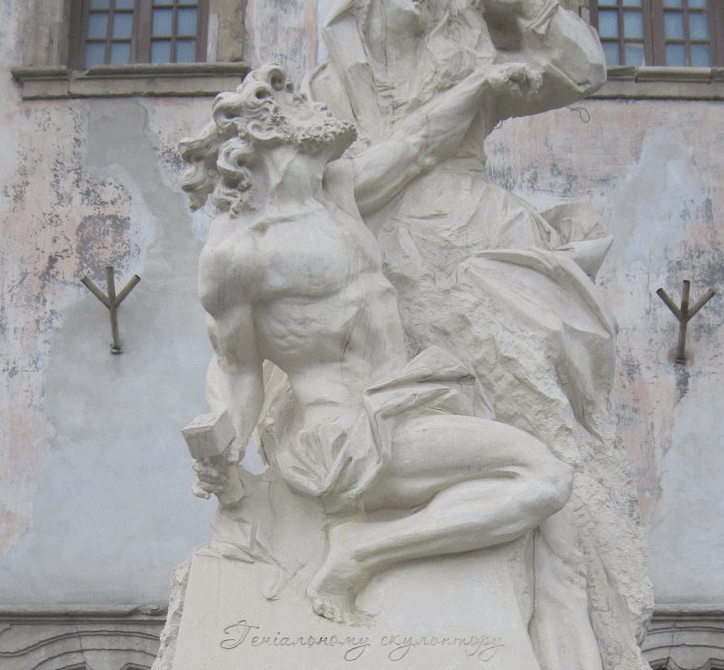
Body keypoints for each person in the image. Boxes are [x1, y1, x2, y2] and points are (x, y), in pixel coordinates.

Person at [306, 0, 669, 670]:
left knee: (567, 531)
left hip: (497, 252)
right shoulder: (336, 89)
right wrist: (458, 106)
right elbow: (353, 190)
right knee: (544, 503)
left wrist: (525, 5)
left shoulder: (465, 54)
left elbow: (582, 72)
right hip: (413, 290)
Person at [179, 64, 573, 625]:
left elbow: (418, 145)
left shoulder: (336, 194)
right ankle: (360, 552)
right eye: (294, 98)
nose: (314, 101)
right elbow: (237, 368)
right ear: (265, 131)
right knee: (544, 478)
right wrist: (225, 447)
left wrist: (480, 85)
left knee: (538, 476)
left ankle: (367, 547)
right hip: (342, 437)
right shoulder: (238, 254)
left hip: (404, 403)